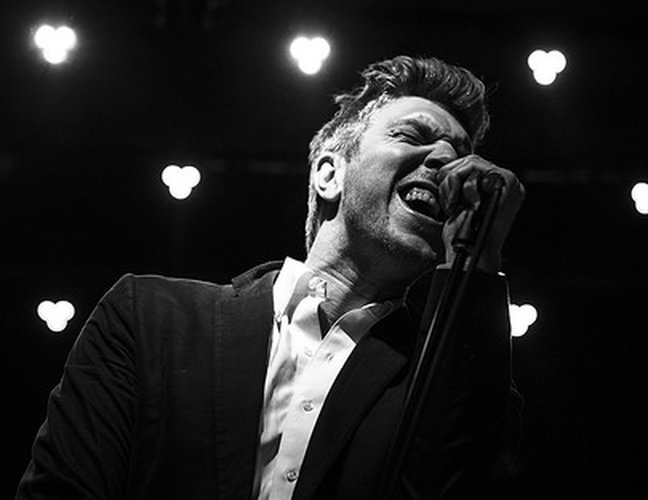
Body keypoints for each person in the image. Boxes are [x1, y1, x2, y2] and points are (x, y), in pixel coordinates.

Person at [17, 55, 526, 500]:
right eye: (413, 135)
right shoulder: (149, 318)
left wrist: (477, 258)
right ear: (329, 174)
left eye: (460, 154)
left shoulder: (442, 383)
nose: (447, 162)